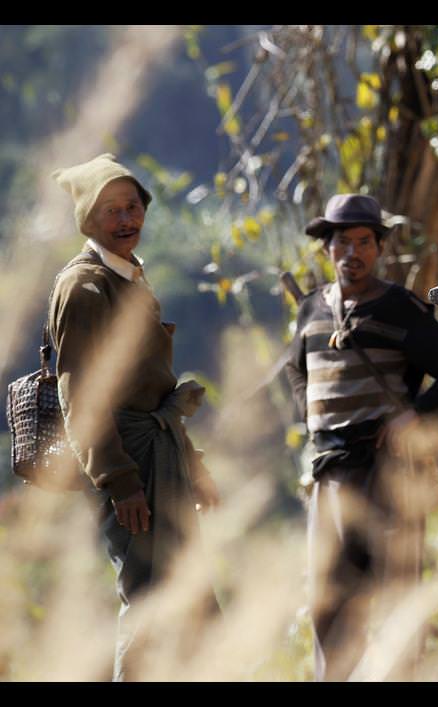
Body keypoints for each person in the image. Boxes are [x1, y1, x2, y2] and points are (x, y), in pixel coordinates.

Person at [50, 153, 220, 681]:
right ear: (87, 221)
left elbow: (158, 394)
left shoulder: (129, 278)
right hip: (129, 462)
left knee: (184, 598)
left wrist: (192, 467)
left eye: (132, 207)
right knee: (149, 600)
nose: (126, 220)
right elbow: (81, 396)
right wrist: (121, 482)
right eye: (110, 211)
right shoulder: (85, 287)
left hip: (159, 453)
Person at [284, 193, 438, 681]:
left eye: (364, 242)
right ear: (327, 249)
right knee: (329, 603)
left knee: (395, 600)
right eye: (343, 242)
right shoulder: (312, 309)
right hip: (328, 474)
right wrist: (315, 417)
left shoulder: (400, 308)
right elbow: (298, 371)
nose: (353, 253)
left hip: (387, 476)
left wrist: (414, 415)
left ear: (379, 248)